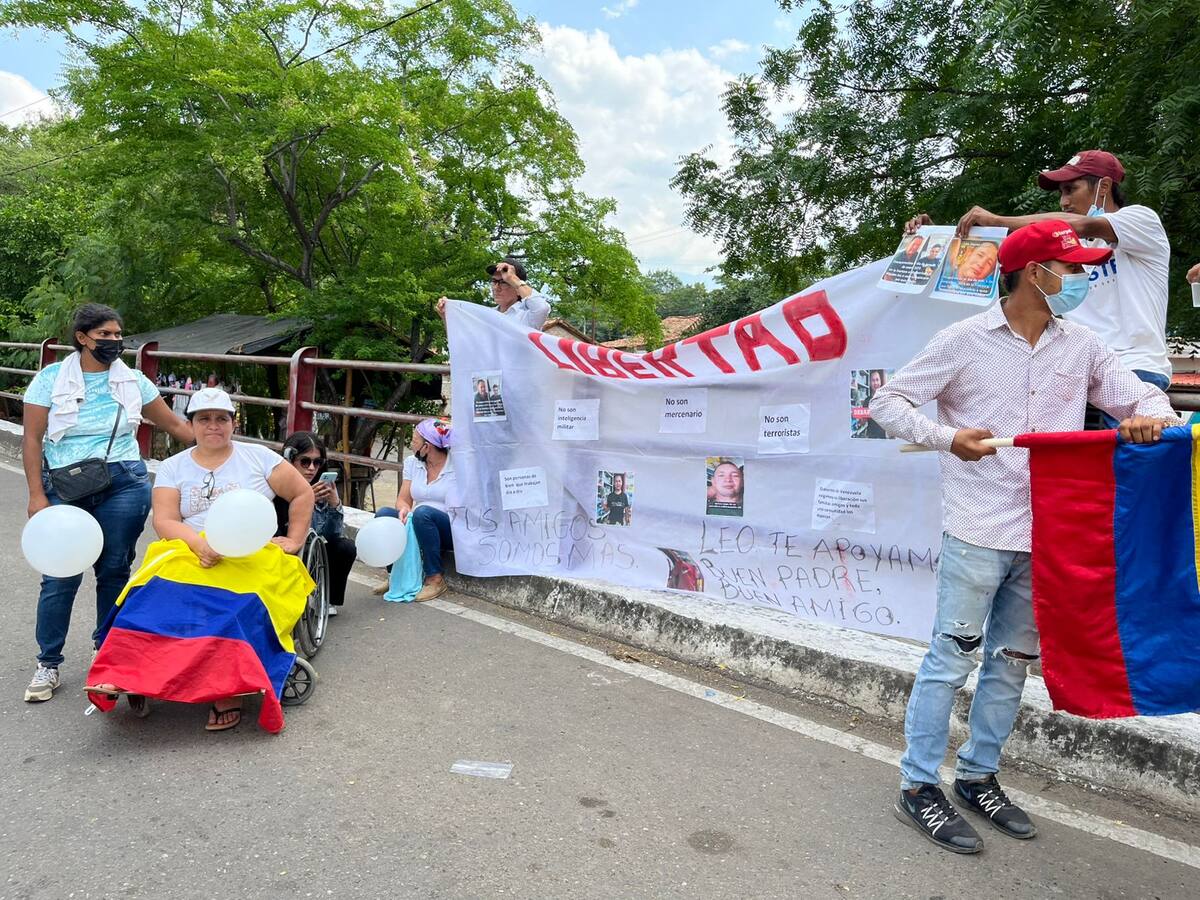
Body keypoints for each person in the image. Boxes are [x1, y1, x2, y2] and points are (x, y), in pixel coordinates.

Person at [870, 220, 1181, 855]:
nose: (1083, 278)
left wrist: (1150, 420)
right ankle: (919, 785)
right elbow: (888, 403)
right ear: (1035, 273)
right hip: (978, 529)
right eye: (1073, 268)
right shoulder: (962, 340)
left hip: (1048, 535)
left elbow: (1145, 403)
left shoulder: (1084, 346)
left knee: (1011, 664)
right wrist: (946, 438)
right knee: (951, 659)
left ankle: (978, 777)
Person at [911, 150, 1172, 426]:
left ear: (1104, 186)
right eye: (1061, 193)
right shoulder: (1069, 245)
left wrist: (997, 220)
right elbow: (1003, 257)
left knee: (1130, 450)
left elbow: (1078, 226)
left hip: (1132, 368)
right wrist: (935, 237)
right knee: (1041, 449)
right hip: (1072, 369)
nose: (1064, 201)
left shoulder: (1141, 221)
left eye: (1071, 189)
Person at [20, 303, 194, 703]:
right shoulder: (50, 380)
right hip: (66, 484)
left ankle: (108, 654)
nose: (114, 341)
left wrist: (220, 442)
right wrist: (36, 495)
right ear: (83, 338)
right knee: (60, 575)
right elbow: (32, 438)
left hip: (124, 483)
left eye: (118, 334)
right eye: (105, 335)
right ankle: (48, 662)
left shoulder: (133, 381)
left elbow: (173, 424)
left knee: (115, 570)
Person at [150, 388, 314, 730]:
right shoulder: (172, 467)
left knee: (235, 607)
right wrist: (198, 544)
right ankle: (134, 673)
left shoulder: (258, 458)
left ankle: (228, 688)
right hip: (192, 547)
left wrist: (295, 539)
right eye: (204, 419)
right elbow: (164, 520)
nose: (213, 425)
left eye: (221, 418)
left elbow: (302, 492)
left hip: (251, 551)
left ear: (233, 423)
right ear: (191, 424)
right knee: (150, 598)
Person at [373, 418, 455, 602]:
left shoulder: (457, 465)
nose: (412, 445)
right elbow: (403, 499)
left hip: (448, 526)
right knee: (384, 515)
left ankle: (435, 579)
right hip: (419, 520)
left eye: (415, 441)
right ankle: (395, 577)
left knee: (423, 512)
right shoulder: (413, 463)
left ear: (427, 447)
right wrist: (403, 510)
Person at [276, 432, 357, 617]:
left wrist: (334, 505)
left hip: (312, 547)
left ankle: (326, 599)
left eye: (317, 462)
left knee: (345, 547)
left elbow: (332, 535)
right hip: (285, 546)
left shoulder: (320, 487)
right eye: (305, 462)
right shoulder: (278, 487)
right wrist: (303, 501)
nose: (311, 468)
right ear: (290, 460)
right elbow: (282, 528)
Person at [437, 257, 552, 330]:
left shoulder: (527, 317)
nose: (496, 288)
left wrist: (513, 278)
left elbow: (542, 308)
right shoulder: (486, 315)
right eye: (494, 281)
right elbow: (464, 343)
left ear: (517, 288)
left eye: (504, 282)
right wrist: (446, 316)